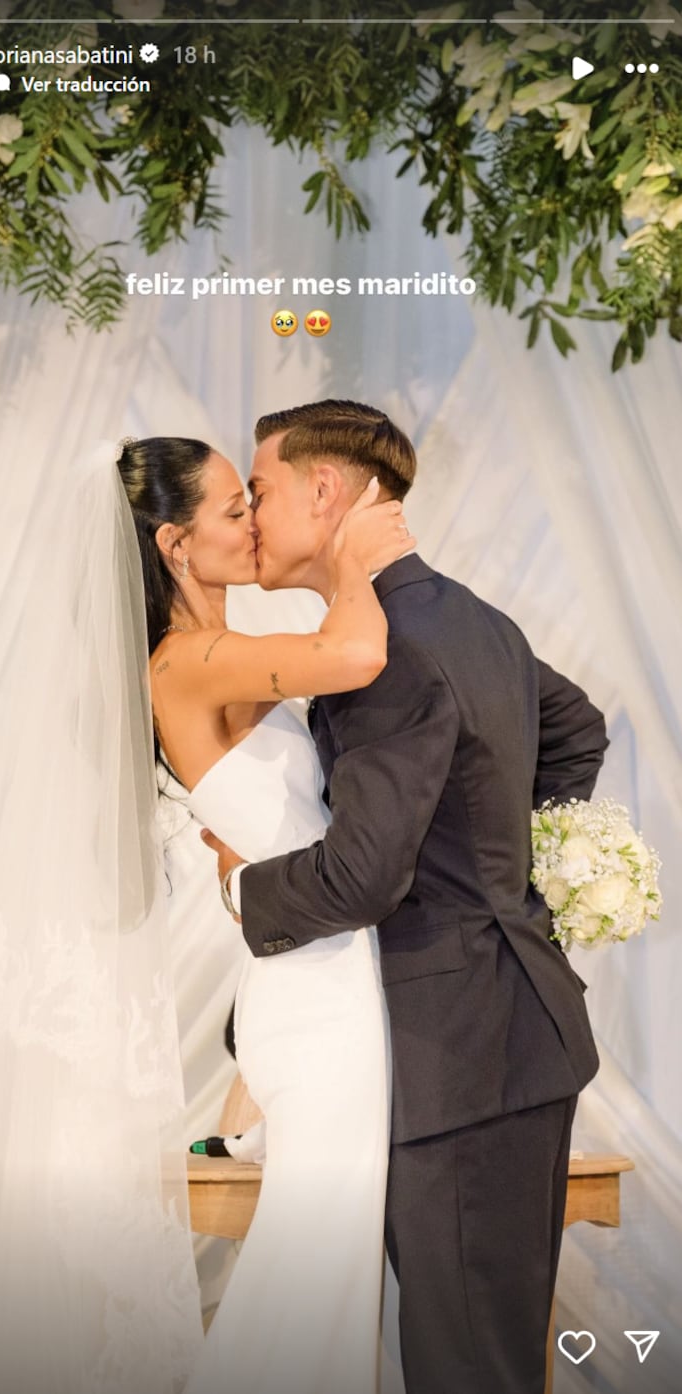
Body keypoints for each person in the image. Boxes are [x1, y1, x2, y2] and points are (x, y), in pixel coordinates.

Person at [201, 398, 609, 1394]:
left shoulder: (391, 651)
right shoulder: (463, 615)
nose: (250, 515)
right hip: (491, 1039)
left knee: (467, 1366)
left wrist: (234, 887)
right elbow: (576, 728)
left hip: (462, 1053)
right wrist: (494, 875)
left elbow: (360, 875)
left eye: (259, 491)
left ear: (325, 490)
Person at [115, 434, 416, 1394]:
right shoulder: (188, 661)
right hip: (319, 1000)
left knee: (321, 1277)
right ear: (175, 544)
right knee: (313, 1283)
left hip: (317, 981)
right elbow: (359, 651)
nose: (254, 523)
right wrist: (360, 542)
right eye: (234, 510)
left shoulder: (217, 656)